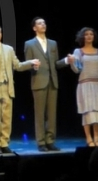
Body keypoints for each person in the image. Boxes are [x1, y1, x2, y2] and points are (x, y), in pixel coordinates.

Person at [0, 24, 39, 155]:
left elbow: (17, 65)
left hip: (7, 87)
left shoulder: (8, 49)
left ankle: (4, 143)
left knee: (6, 117)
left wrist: (30, 63)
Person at [24, 17, 69, 152]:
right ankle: (41, 142)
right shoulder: (29, 44)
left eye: (44, 23)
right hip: (38, 81)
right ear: (34, 28)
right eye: (39, 23)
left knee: (51, 114)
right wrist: (33, 66)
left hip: (52, 81)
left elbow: (56, 64)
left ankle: (50, 141)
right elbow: (28, 64)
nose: (43, 25)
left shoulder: (53, 43)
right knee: (39, 114)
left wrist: (66, 61)